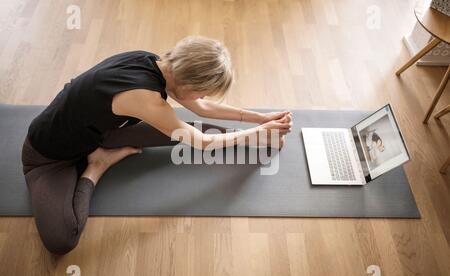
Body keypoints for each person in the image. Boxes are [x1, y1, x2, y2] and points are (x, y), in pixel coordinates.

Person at [21, 35, 293, 255]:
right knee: (62, 240)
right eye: (203, 90)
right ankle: (97, 166)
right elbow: (202, 143)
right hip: (49, 155)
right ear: (188, 81)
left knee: (182, 128)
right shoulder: (146, 98)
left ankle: (261, 137)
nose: (204, 96)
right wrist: (253, 131)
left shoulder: (153, 61)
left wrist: (260, 119)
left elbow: (201, 108)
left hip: (98, 134)